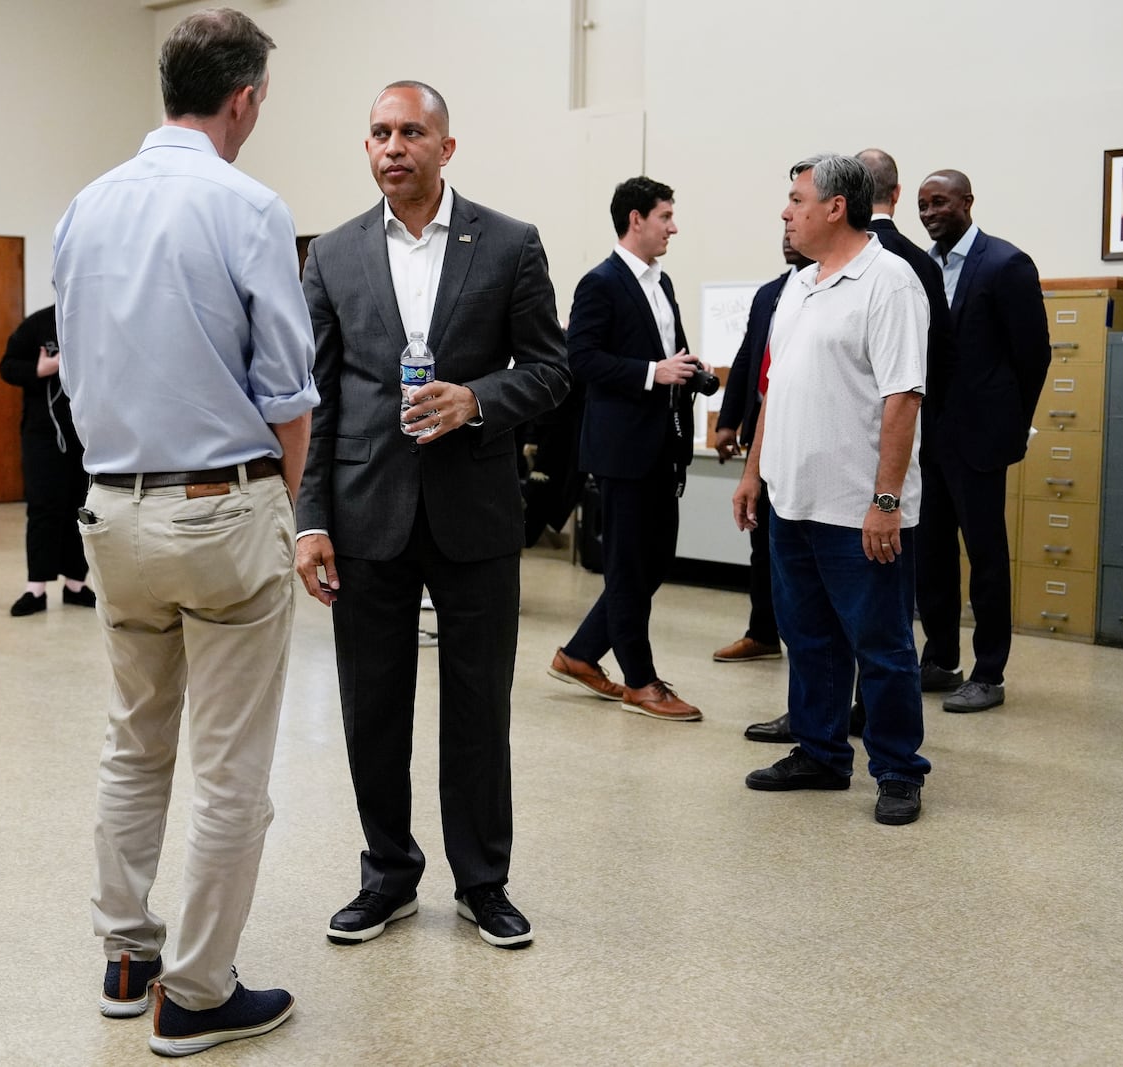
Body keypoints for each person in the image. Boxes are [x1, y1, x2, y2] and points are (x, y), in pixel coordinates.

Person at [51, 8, 317, 1058]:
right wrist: (284, 508)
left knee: (134, 738)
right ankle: (198, 992)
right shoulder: (246, 204)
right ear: (243, 98)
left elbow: (71, 360)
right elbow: (287, 390)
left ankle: (127, 954)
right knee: (229, 766)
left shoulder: (86, 204)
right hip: (222, 505)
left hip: (112, 507)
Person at [295, 81, 568, 951]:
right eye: (378, 132)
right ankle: (388, 875)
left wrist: (478, 400)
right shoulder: (332, 255)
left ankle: (484, 883)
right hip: (365, 510)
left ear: (446, 148)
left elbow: (553, 370)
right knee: (371, 706)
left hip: (475, 513)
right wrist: (309, 521)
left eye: (411, 131)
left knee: (479, 705)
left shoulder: (511, 244)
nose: (393, 146)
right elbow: (320, 400)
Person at [733, 154, 931, 826]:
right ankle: (820, 751)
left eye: (796, 200)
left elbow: (903, 399)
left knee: (881, 644)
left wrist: (887, 501)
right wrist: (754, 470)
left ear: (836, 207)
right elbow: (773, 391)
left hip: (858, 509)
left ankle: (899, 769)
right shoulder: (800, 286)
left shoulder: (890, 282)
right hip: (793, 502)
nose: (786, 212)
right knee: (809, 637)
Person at [548, 176, 703, 723]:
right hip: (621, 450)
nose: (673, 226)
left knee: (652, 562)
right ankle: (640, 681)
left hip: (664, 447)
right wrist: (651, 373)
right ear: (635, 219)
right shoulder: (601, 283)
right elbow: (581, 359)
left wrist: (689, 372)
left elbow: (668, 352)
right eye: (665, 215)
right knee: (628, 568)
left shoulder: (661, 284)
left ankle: (580, 653)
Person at [914, 169, 1051, 713]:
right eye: (922, 205)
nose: (929, 213)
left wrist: (1014, 425)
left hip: (982, 436)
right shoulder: (922, 267)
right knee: (932, 553)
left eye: (940, 202)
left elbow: (1033, 354)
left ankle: (989, 672)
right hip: (931, 433)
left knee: (986, 554)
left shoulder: (1005, 263)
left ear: (967, 203)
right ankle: (941, 660)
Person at [710, 236, 811, 682]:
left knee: (803, 546)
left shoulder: (822, 288)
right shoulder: (770, 292)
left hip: (805, 438)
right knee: (761, 538)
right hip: (763, 435)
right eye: (783, 228)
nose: (787, 236)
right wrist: (729, 422)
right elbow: (749, 356)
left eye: (796, 222)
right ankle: (763, 632)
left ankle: (808, 640)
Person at [0, 306, 94, 616]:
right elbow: (7, 367)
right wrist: (41, 370)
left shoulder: (96, 317)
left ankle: (76, 584)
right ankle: (35, 588)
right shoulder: (38, 323)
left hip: (89, 434)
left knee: (81, 508)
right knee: (43, 507)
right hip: (43, 434)